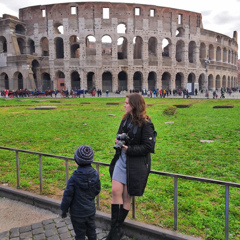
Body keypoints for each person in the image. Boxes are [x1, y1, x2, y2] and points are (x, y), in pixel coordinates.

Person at [107, 93, 156, 240]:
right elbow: (119, 134)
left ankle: (115, 231)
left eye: (127, 103)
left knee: (126, 196)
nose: (124, 105)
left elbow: (149, 147)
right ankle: (115, 230)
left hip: (134, 163)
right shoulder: (125, 119)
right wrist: (118, 139)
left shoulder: (146, 123)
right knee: (116, 191)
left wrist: (130, 149)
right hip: (121, 159)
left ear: (134, 105)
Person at [60, 145, 101, 240]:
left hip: (77, 213)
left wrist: (64, 209)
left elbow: (67, 195)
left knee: (80, 235)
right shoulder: (95, 174)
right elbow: (97, 189)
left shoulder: (74, 178)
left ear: (76, 161)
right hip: (90, 210)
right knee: (92, 232)